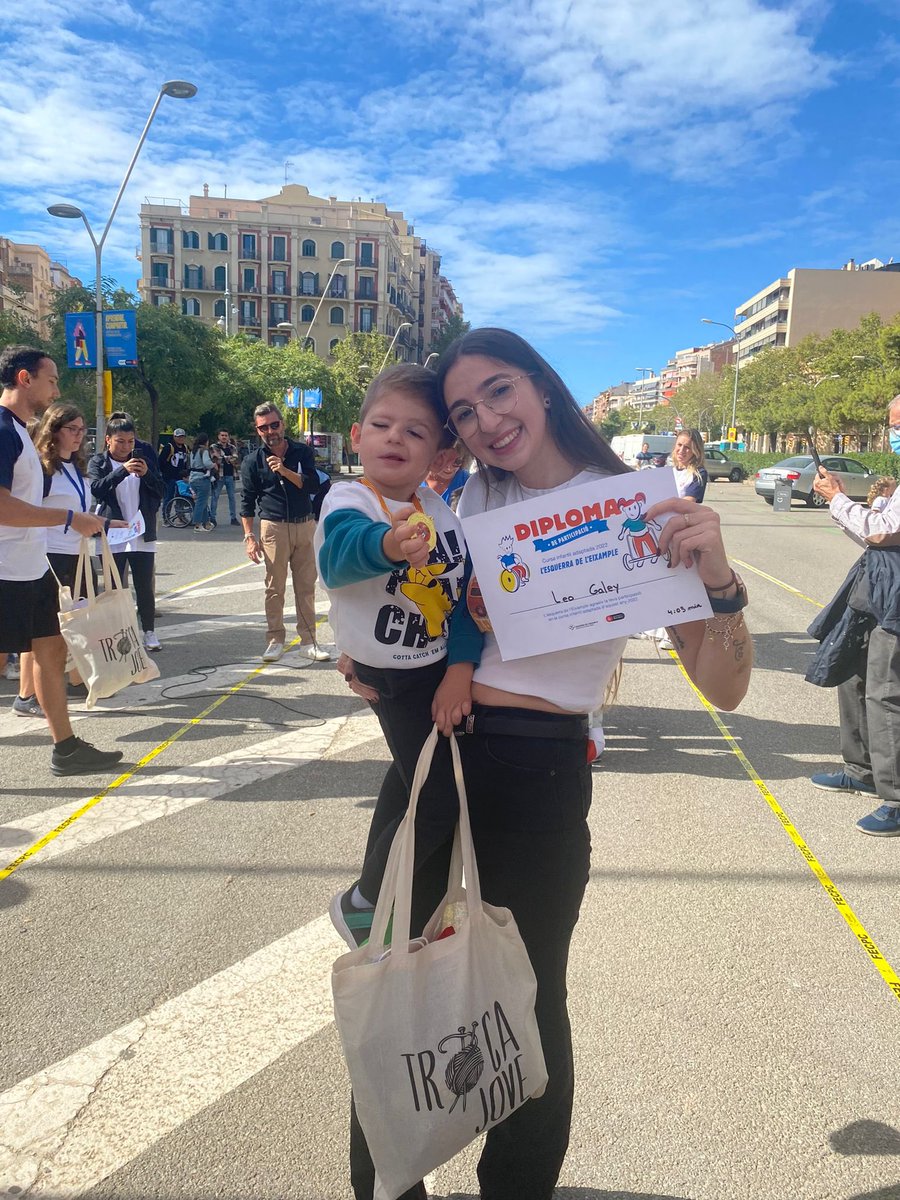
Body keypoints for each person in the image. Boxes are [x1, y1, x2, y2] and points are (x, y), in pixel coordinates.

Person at [344, 329, 752, 1200]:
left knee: (530, 1002)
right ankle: (383, 1185)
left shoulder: (633, 504)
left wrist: (718, 581)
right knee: (390, 990)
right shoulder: (458, 494)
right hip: (428, 752)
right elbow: (380, 578)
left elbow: (723, 686)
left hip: (537, 771)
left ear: (542, 386)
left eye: (499, 392)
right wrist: (362, 653)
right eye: (464, 410)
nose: (487, 420)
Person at [317, 364, 467, 948]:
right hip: (395, 675)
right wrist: (387, 542)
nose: (395, 438)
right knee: (438, 796)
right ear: (357, 437)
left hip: (432, 664)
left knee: (412, 778)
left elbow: (460, 589)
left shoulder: (438, 503)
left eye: (415, 431)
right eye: (381, 424)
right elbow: (339, 556)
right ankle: (369, 900)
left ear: (436, 451)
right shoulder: (350, 498)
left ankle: (395, 903)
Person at [0, 345, 123, 776]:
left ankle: (66, 748)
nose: (56, 388)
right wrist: (69, 517)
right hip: (6, 569)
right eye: (50, 379)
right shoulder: (1, 430)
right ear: (24, 379)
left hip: (32, 566)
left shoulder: (19, 431)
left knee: (51, 652)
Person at [810, 396, 900, 836]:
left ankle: (896, 797)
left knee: (886, 693)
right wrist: (841, 505)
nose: (895, 434)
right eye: (893, 426)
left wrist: (841, 500)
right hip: (877, 590)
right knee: (854, 674)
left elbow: (882, 532)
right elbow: (873, 536)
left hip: (895, 600)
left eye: (899, 425)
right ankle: (861, 769)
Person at [240, 403, 328, 662]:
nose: (270, 431)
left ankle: (308, 641)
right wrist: (249, 537)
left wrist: (285, 470)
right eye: (263, 427)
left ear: (283, 424)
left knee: (306, 587)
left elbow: (311, 483)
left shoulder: (302, 452)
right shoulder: (252, 461)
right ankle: (275, 640)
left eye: (274, 425)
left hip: (304, 525)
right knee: (274, 588)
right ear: (258, 431)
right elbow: (247, 501)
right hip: (273, 527)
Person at [88, 416, 164, 653]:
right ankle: (116, 633)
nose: (126, 447)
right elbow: (96, 488)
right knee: (113, 589)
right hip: (112, 533)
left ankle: (149, 631)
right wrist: (121, 471)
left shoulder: (143, 458)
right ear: (108, 440)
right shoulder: (99, 462)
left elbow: (160, 489)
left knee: (144, 586)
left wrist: (147, 474)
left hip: (140, 532)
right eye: (120, 441)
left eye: (130, 441)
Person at [35, 402, 94, 693]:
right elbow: (30, 512)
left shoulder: (78, 467)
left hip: (78, 554)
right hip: (51, 555)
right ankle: (29, 692)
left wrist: (105, 524)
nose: (79, 435)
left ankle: (76, 679)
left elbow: (81, 509)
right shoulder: (44, 469)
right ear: (54, 431)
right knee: (50, 628)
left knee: (79, 620)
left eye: (82, 429)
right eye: (72, 429)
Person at [211, 429, 240, 525]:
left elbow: (235, 458)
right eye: (222, 435)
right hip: (219, 475)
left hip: (231, 475)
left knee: (232, 497)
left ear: (228, 437)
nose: (224, 437)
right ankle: (212, 517)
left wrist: (224, 458)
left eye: (226, 435)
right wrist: (228, 458)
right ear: (218, 436)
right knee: (215, 496)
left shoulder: (232, 447)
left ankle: (233, 518)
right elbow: (216, 459)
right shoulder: (214, 447)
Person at [671, 428, 708, 502]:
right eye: (679, 445)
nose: (681, 450)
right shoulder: (667, 470)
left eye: (687, 447)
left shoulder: (698, 473)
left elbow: (688, 502)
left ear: (695, 450)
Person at [188, 433, 216, 531]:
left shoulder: (193, 451)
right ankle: (197, 524)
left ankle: (206, 523)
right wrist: (214, 465)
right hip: (202, 478)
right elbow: (207, 463)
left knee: (203, 502)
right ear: (206, 441)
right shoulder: (204, 451)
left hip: (193, 478)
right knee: (201, 503)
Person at [158, 428, 190, 510]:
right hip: (169, 478)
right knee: (169, 497)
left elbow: (186, 463)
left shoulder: (185, 448)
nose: (181, 439)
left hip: (181, 477)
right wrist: (164, 473)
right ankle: (166, 515)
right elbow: (160, 461)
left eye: (182, 437)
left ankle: (180, 515)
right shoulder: (169, 447)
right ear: (174, 437)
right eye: (178, 437)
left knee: (181, 496)